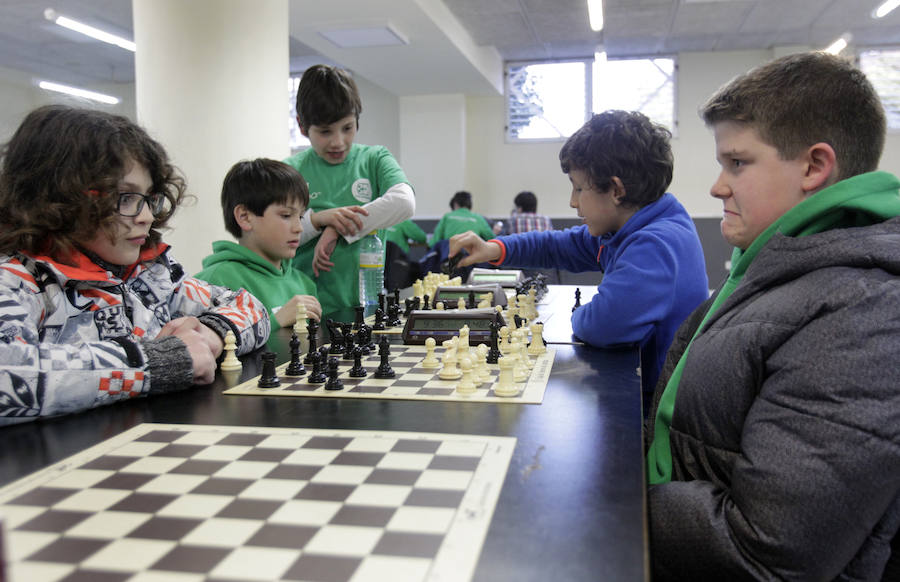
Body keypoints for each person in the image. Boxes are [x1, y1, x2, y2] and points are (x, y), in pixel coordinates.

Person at [645, 52, 900, 580]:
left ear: (814, 167)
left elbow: (767, 550)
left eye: (737, 163)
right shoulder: (774, 271)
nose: (718, 186)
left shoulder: (864, 311)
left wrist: (619, 501)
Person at [0, 105, 270, 425]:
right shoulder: (17, 284)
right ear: (56, 198)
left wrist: (211, 334)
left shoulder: (151, 275)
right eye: (125, 198)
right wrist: (160, 362)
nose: (147, 216)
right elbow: (7, 374)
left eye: (148, 198)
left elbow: (248, 306)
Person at [449, 110, 709, 403]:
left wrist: (577, 313)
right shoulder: (627, 228)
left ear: (616, 190)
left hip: (659, 410)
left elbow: (603, 325)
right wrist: (494, 249)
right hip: (643, 387)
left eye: (578, 188)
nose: (572, 201)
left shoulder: (656, 244)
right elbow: (557, 245)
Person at [284, 64, 414, 315]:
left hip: (366, 309)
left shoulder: (375, 159)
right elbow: (275, 238)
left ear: (357, 120)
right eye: (325, 132)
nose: (338, 142)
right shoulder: (289, 171)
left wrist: (338, 227)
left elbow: (404, 202)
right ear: (301, 126)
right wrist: (319, 220)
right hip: (305, 311)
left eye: (347, 128)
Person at [195, 158, 321, 327]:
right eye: (286, 215)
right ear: (245, 217)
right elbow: (207, 342)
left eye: (300, 217)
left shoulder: (304, 284)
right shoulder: (214, 282)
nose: (299, 228)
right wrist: (275, 322)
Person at [430, 191, 495, 244]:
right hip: (472, 253)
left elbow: (435, 240)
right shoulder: (478, 218)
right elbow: (491, 238)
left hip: (449, 253)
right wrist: (495, 232)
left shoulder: (447, 216)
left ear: (455, 204)